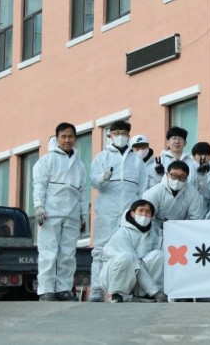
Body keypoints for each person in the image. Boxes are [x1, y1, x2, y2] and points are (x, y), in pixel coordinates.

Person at [87, 120, 147, 302]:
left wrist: (137, 212)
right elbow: (94, 181)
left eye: (124, 133)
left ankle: (124, 290)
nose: (120, 136)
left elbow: (142, 188)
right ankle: (97, 289)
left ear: (129, 136)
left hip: (129, 214)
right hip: (107, 212)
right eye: (117, 133)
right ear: (110, 135)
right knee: (100, 250)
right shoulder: (102, 157)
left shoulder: (136, 160)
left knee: (129, 250)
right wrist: (103, 177)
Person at [32, 122, 90, 301]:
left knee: (68, 254)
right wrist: (39, 206)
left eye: (70, 136)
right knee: (48, 252)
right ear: (57, 138)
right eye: (63, 136)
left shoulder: (79, 165)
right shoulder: (47, 161)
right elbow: (39, 185)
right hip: (51, 214)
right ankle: (46, 290)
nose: (67, 140)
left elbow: (83, 192)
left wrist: (83, 215)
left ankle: (63, 289)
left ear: (75, 139)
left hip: (72, 214)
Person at [100, 199, 168, 303]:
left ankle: (142, 294)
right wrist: (154, 291)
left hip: (137, 277)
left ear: (151, 217)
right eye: (141, 210)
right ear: (132, 213)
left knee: (159, 255)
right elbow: (135, 262)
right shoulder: (122, 233)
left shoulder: (153, 235)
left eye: (148, 212)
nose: (144, 215)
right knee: (127, 257)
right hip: (114, 275)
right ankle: (117, 294)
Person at [142, 160, 206, 231]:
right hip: (155, 231)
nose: (177, 180)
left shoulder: (193, 193)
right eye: (174, 176)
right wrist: (159, 231)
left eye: (182, 177)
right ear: (167, 175)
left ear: (186, 178)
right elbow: (147, 217)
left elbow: (195, 218)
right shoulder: (154, 192)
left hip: (181, 231)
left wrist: (179, 229)